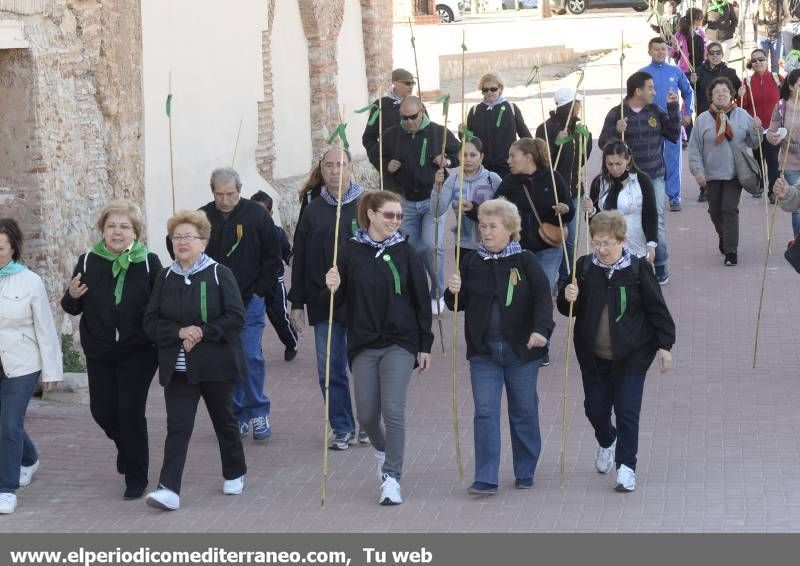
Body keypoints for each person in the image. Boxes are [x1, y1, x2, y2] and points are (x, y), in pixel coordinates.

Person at [324, 190, 433, 506]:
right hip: (363, 343)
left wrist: (424, 344)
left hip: (400, 342)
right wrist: (332, 287)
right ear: (370, 214)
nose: (395, 221)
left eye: (399, 216)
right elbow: (336, 304)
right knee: (368, 415)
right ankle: (383, 449)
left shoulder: (406, 251)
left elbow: (421, 300)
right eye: (389, 215)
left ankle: (392, 477)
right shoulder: (349, 251)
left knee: (393, 409)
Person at [557, 211, 675, 493]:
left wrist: (665, 345)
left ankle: (626, 467)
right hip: (593, 356)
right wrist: (566, 296)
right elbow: (567, 309)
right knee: (595, 409)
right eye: (597, 243)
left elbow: (657, 308)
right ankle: (606, 440)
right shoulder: (584, 267)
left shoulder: (637, 269)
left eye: (608, 243)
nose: (602, 249)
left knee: (627, 410)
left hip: (632, 354)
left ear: (622, 240)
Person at [444, 198, 553, 496]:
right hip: (484, 353)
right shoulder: (471, 261)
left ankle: (525, 468)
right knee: (485, 412)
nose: (486, 232)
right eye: (482, 226)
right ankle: (486, 476)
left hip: (521, 351)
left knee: (524, 411)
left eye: (493, 226)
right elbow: (457, 303)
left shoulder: (526, 261)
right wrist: (451, 291)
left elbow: (543, 299)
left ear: (509, 229)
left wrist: (541, 331)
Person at [143, 210, 247, 511]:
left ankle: (235, 471)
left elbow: (235, 317)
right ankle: (168, 490)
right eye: (177, 237)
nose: (182, 242)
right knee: (178, 427)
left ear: (203, 241)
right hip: (178, 368)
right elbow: (150, 321)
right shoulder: (164, 276)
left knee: (224, 421)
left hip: (215, 365)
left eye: (189, 237)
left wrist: (202, 332)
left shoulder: (219, 273)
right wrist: (179, 331)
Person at [60, 200, 161, 501]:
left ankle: (136, 476)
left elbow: (159, 306)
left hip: (138, 350)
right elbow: (72, 307)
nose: (117, 232)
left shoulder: (148, 262)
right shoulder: (89, 260)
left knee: (130, 412)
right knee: (102, 411)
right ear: (103, 230)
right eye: (112, 226)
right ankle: (125, 448)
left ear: (136, 232)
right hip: (100, 349)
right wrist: (71, 296)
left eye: (124, 227)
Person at [197, 168, 282, 441]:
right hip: (215, 302)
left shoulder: (256, 215)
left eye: (230, 194)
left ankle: (258, 410)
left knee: (248, 354)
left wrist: (260, 291)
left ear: (240, 190)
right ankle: (237, 413)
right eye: (219, 194)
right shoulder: (203, 218)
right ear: (212, 192)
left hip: (249, 299)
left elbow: (273, 255)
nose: (225, 200)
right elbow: (183, 246)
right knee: (226, 357)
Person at [289, 147, 366, 450]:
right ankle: (342, 425)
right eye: (329, 166)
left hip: (362, 301)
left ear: (351, 168)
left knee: (363, 367)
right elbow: (302, 257)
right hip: (325, 301)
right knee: (329, 367)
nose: (335, 171)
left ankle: (369, 424)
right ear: (321, 170)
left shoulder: (366, 205)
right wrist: (296, 303)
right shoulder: (313, 210)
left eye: (341, 165)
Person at [367, 95, 461, 314]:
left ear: (422, 112)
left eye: (412, 117)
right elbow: (375, 154)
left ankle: (437, 292)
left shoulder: (439, 132)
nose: (408, 122)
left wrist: (446, 161)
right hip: (404, 202)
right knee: (412, 249)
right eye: (404, 118)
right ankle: (419, 292)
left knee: (431, 245)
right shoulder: (392, 134)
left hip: (433, 199)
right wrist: (385, 165)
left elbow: (458, 153)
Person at [0, 218, 63, 514]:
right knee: (5, 423)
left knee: (9, 424)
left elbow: (46, 329)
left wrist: (51, 372)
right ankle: (29, 458)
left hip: (22, 363)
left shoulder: (30, 281)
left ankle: (6, 488)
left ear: (13, 247)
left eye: (0, 247)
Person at [599, 70, 681, 285]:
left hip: (653, 176)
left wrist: (673, 107)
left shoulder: (655, 110)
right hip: (626, 179)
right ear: (638, 90)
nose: (654, 92)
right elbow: (603, 144)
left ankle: (660, 264)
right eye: (650, 88)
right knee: (625, 220)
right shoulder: (618, 113)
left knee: (657, 220)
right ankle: (624, 262)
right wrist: (617, 132)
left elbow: (673, 134)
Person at [689, 76, 762, 266]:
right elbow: (694, 147)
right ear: (711, 96)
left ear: (731, 94)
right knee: (714, 212)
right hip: (711, 174)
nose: (721, 94)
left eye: (725, 91)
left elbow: (754, 143)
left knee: (729, 208)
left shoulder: (742, 115)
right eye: (716, 92)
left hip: (734, 173)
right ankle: (723, 235)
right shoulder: (703, 119)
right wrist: (698, 171)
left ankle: (731, 250)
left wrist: (756, 129)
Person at [536, 86, 594, 287]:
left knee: (571, 241)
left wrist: (587, 140)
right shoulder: (545, 129)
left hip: (575, 191)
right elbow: (542, 162)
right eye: (577, 103)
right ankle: (550, 280)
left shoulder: (578, 129)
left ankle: (565, 280)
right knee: (555, 238)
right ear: (569, 105)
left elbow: (582, 160)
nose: (580, 106)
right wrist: (556, 144)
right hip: (552, 193)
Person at [640, 36, 694, 213]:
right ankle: (650, 196)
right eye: (656, 49)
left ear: (668, 51)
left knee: (673, 160)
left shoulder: (675, 71)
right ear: (649, 51)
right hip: (650, 124)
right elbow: (635, 98)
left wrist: (687, 113)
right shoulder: (642, 74)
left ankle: (674, 197)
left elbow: (688, 92)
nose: (660, 52)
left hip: (671, 122)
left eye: (663, 49)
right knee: (649, 159)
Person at [582, 141, 658, 263]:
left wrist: (651, 244)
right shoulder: (599, 183)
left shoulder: (642, 180)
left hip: (636, 247)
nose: (614, 168)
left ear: (627, 160)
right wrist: (591, 211)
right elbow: (594, 223)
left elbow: (651, 214)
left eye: (619, 163)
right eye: (610, 164)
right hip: (607, 249)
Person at [438, 137, 503, 268]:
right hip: (463, 245)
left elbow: (504, 212)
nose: (468, 159)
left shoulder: (493, 178)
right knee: (464, 285)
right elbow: (437, 212)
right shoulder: (452, 181)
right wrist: (436, 189)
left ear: (481, 157)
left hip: (490, 243)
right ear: (458, 156)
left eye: (473, 155)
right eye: (464, 155)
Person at [250, 190, 299, 362]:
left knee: (280, 318)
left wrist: (293, 261)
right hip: (252, 285)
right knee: (252, 321)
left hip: (274, 283)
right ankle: (255, 352)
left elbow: (287, 253)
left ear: (270, 213)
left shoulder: (277, 233)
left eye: (263, 211)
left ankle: (291, 343)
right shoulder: (244, 232)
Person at [465, 72, 531, 178]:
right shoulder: (474, 111)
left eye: (493, 89)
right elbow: (469, 141)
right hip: (482, 169)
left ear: (500, 88)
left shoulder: (511, 108)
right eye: (485, 90)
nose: (489, 92)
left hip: (507, 167)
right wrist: (462, 133)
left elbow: (526, 138)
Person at [362, 68, 417, 192]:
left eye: (413, 83)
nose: (411, 86)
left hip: (416, 174)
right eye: (407, 83)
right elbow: (368, 138)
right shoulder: (380, 106)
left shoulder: (417, 104)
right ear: (395, 83)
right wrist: (384, 164)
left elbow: (428, 133)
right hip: (392, 177)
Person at [739, 48, 783, 202]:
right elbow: (742, 107)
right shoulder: (747, 81)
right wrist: (741, 96)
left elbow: (786, 100)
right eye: (754, 60)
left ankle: (772, 192)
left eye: (761, 59)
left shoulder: (778, 78)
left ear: (767, 60)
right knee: (758, 159)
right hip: (755, 128)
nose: (758, 62)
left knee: (772, 159)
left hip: (773, 128)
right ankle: (760, 185)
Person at [766, 69, 800, 235]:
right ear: (792, 86)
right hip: (790, 163)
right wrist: (776, 138)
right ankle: (798, 245)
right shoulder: (781, 106)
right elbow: (771, 132)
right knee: (798, 208)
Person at [756, 0, 790, 73]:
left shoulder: (782, 1)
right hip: (762, 36)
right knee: (762, 64)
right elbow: (753, 16)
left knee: (775, 64)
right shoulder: (759, 1)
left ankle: (774, 82)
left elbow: (788, 16)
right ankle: (763, 82)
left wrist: (782, 23)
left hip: (776, 36)